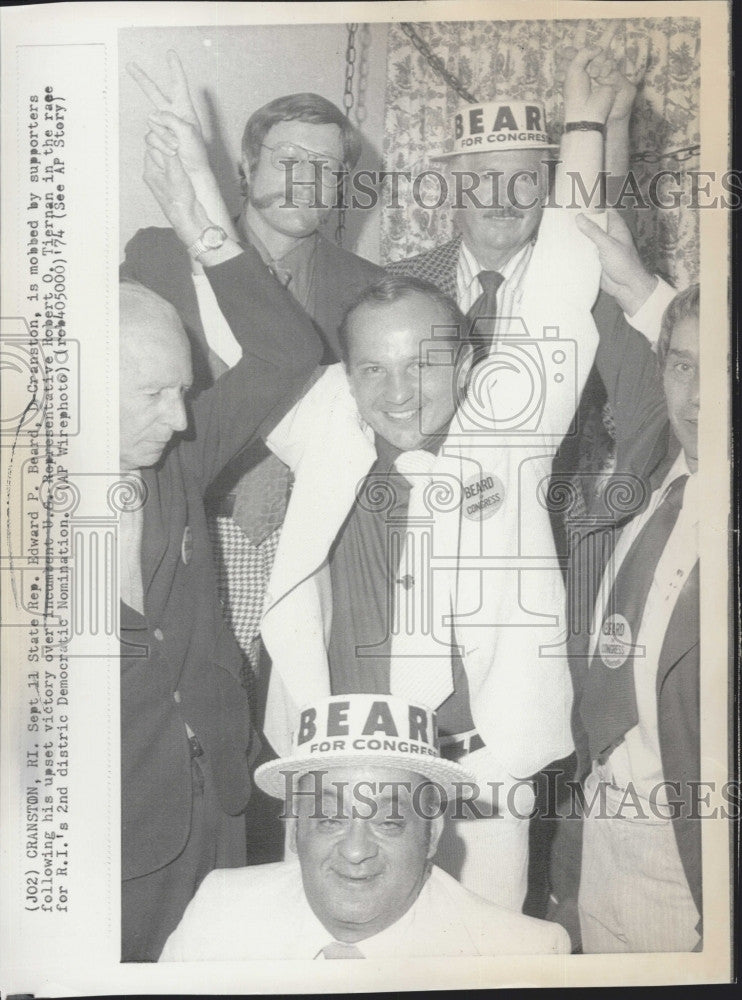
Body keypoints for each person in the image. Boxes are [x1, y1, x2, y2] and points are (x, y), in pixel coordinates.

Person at [255, 46, 626, 913]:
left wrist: (581, 133)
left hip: (481, 769)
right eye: (374, 372)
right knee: (339, 948)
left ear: (469, 368)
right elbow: (248, 335)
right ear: (346, 377)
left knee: (485, 951)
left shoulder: (511, 428)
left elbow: (565, 281)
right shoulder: (327, 429)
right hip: (340, 760)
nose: (398, 393)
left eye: (424, 367)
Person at [119, 133, 322, 960]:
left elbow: (289, 352)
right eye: (154, 393)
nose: (179, 416)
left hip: (223, 804)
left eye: (183, 390)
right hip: (113, 831)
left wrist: (201, 226)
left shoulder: (180, 456)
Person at [122, 53, 381, 689]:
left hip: (313, 538)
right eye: (290, 161)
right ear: (246, 167)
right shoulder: (159, 256)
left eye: (326, 169)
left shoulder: (369, 290)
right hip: (199, 527)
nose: (307, 182)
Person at [159, 695, 570, 960]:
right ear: (294, 831)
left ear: (431, 835)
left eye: (389, 821)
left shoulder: (525, 956)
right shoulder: (218, 911)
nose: (356, 851)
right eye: (329, 818)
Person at [564, 280, 701, 953]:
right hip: (606, 814)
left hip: (686, 843)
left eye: (723, 368)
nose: (699, 396)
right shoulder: (662, 473)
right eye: (682, 366)